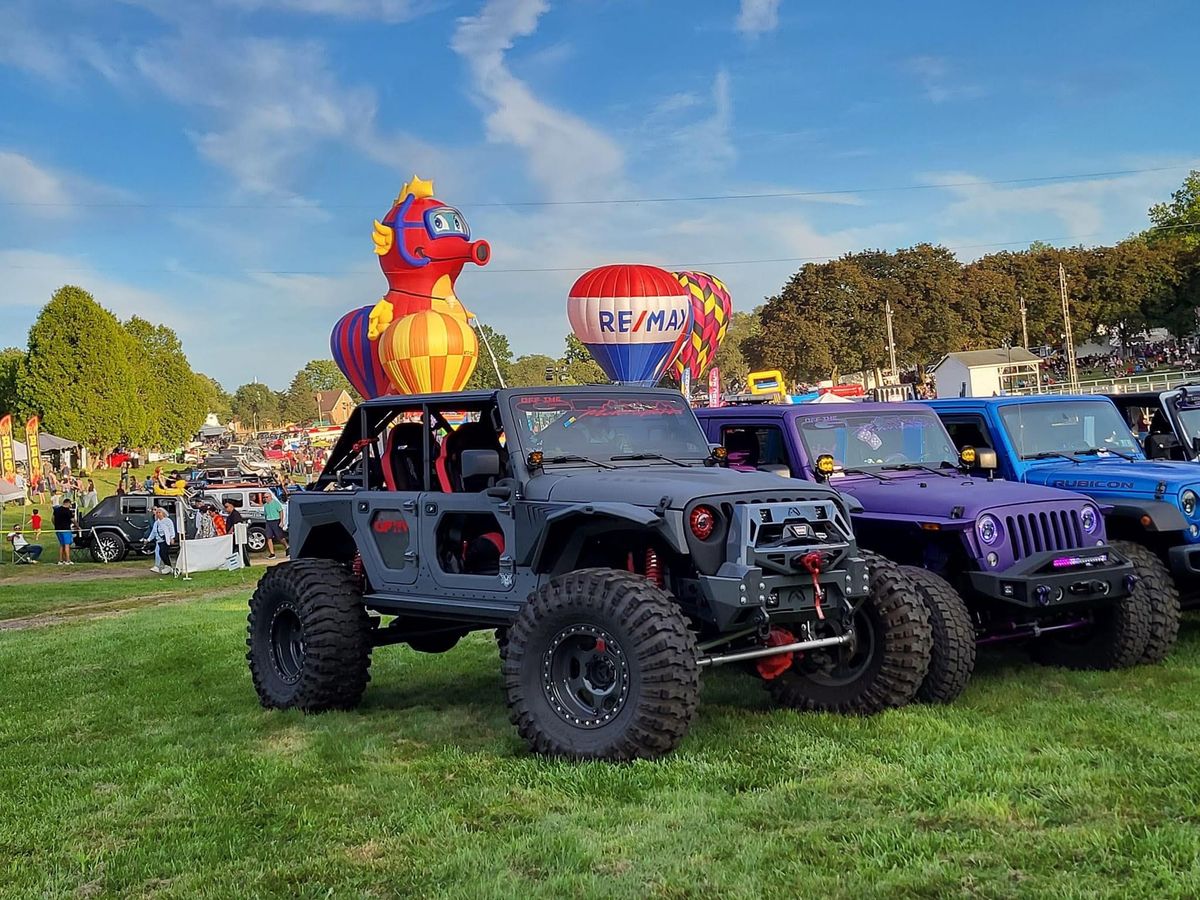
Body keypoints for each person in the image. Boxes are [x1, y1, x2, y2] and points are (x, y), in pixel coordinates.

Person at [146, 506, 177, 574]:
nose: (158, 514)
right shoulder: (156, 523)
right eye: (157, 513)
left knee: (163, 553)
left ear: (163, 513)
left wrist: (172, 537)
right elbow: (153, 532)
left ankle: (168, 566)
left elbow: (171, 529)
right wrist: (148, 540)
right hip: (159, 540)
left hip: (165, 539)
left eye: (159, 512)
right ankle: (168, 567)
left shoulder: (168, 521)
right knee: (162, 553)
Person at [262, 490, 286, 559]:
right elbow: (266, 514)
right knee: (268, 537)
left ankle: (287, 546)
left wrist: (281, 521)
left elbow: (280, 511)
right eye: (264, 497)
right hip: (269, 521)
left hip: (276, 521)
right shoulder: (265, 505)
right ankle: (272, 553)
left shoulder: (276, 503)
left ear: (270, 497)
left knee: (279, 537)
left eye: (267, 497)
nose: (265, 498)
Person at [52, 499, 76, 565]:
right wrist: (77, 526)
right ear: (68, 503)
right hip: (66, 529)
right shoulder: (68, 511)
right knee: (67, 544)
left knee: (62, 545)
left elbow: (53, 518)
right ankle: (68, 560)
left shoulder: (56, 510)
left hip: (58, 529)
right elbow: (73, 520)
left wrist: (55, 525)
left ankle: (61, 560)